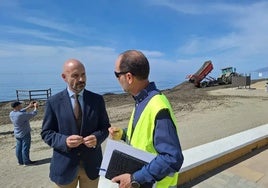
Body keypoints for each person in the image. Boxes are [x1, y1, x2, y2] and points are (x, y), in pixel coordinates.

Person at [108, 50, 184, 188]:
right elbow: (145, 136)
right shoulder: (141, 100)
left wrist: (135, 178)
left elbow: (172, 158)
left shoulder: (157, 105)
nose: (117, 79)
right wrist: (123, 134)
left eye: (117, 75)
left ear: (129, 77)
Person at [41, 59, 111, 188]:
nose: (81, 79)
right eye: (75, 75)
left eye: (83, 74)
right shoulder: (53, 102)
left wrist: (97, 138)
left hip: (91, 166)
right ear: (64, 77)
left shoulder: (97, 99)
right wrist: (64, 141)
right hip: (65, 167)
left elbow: (105, 127)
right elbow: (46, 133)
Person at [9, 101, 38, 166]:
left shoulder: (11, 113)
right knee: (25, 148)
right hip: (24, 133)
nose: (21, 105)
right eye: (20, 105)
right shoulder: (21, 115)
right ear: (17, 106)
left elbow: (20, 111)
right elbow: (33, 114)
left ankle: (20, 162)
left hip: (17, 133)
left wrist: (28, 107)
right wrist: (35, 107)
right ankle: (26, 162)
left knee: (18, 148)